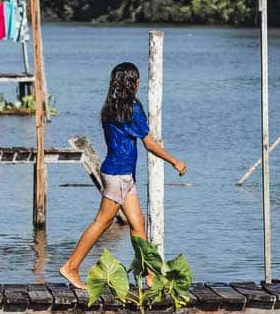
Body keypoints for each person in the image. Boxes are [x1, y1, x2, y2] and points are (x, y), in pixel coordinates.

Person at [58, 60, 186, 288]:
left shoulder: (112, 107)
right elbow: (150, 144)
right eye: (137, 80)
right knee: (102, 221)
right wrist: (174, 161)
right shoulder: (132, 110)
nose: (139, 83)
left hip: (123, 175)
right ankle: (71, 266)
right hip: (118, 175)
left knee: (137, 224)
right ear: (132, 83)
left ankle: (150, 275)